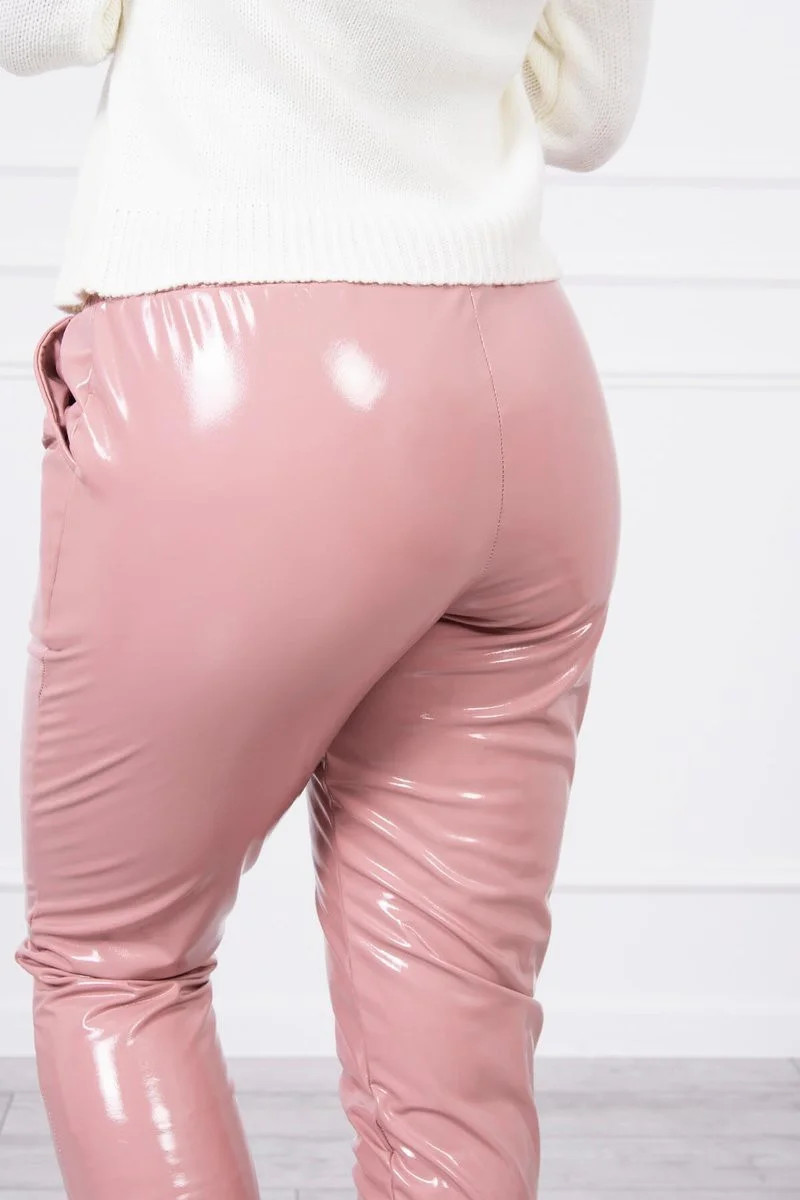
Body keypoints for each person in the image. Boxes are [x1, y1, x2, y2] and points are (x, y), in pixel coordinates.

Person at [0, 2, 653, 1197]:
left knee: (116, 967)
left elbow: (41, 25)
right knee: (453, 1011)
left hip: (236, 375)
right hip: (521, 391)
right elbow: (586, 111)